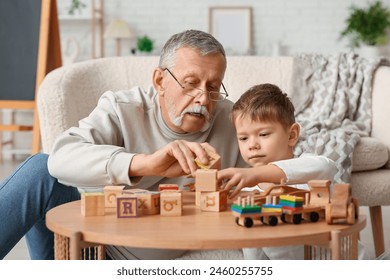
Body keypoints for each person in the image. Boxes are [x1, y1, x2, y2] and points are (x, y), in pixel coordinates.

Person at [217, 83, 368, 260]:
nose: (252, 145)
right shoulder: (248, 193)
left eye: (264, 134)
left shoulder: (308, 166)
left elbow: (326, 166)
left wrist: (255, 174)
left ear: (292, 135)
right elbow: (253, 249)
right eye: (243, 138)